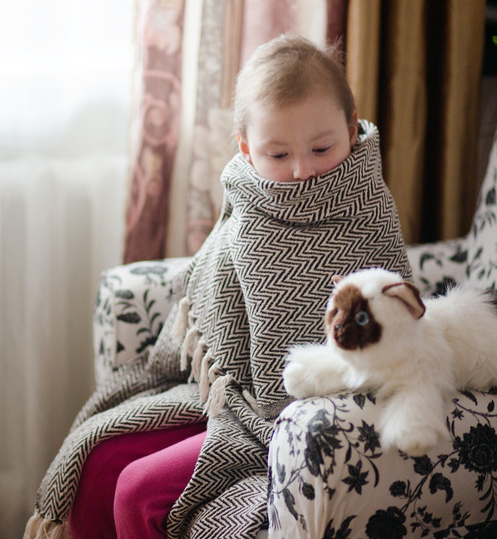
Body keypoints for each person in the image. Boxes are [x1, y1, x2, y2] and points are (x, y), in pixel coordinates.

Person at [24, 34, 411, 539]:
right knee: (99, 461)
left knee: (137, 489)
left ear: (350, 126)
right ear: (247, 150)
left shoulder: (368, 209)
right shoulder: (249, 204)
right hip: (228, 393)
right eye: (278, 154)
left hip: (304, 420)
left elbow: (396, 326)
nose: (302, 171)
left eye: (322, 148)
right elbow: (218, 307)